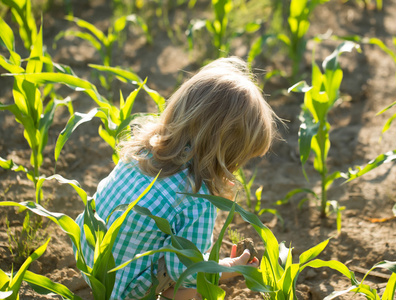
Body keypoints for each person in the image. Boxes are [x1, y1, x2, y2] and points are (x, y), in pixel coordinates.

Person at [75, 56, 281, 299]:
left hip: (87, 257)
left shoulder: (142, 150)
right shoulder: (196, 197)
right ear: (224, 155)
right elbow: (188, 271)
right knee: (192, 284)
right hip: (123, 289)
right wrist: (229, 268)